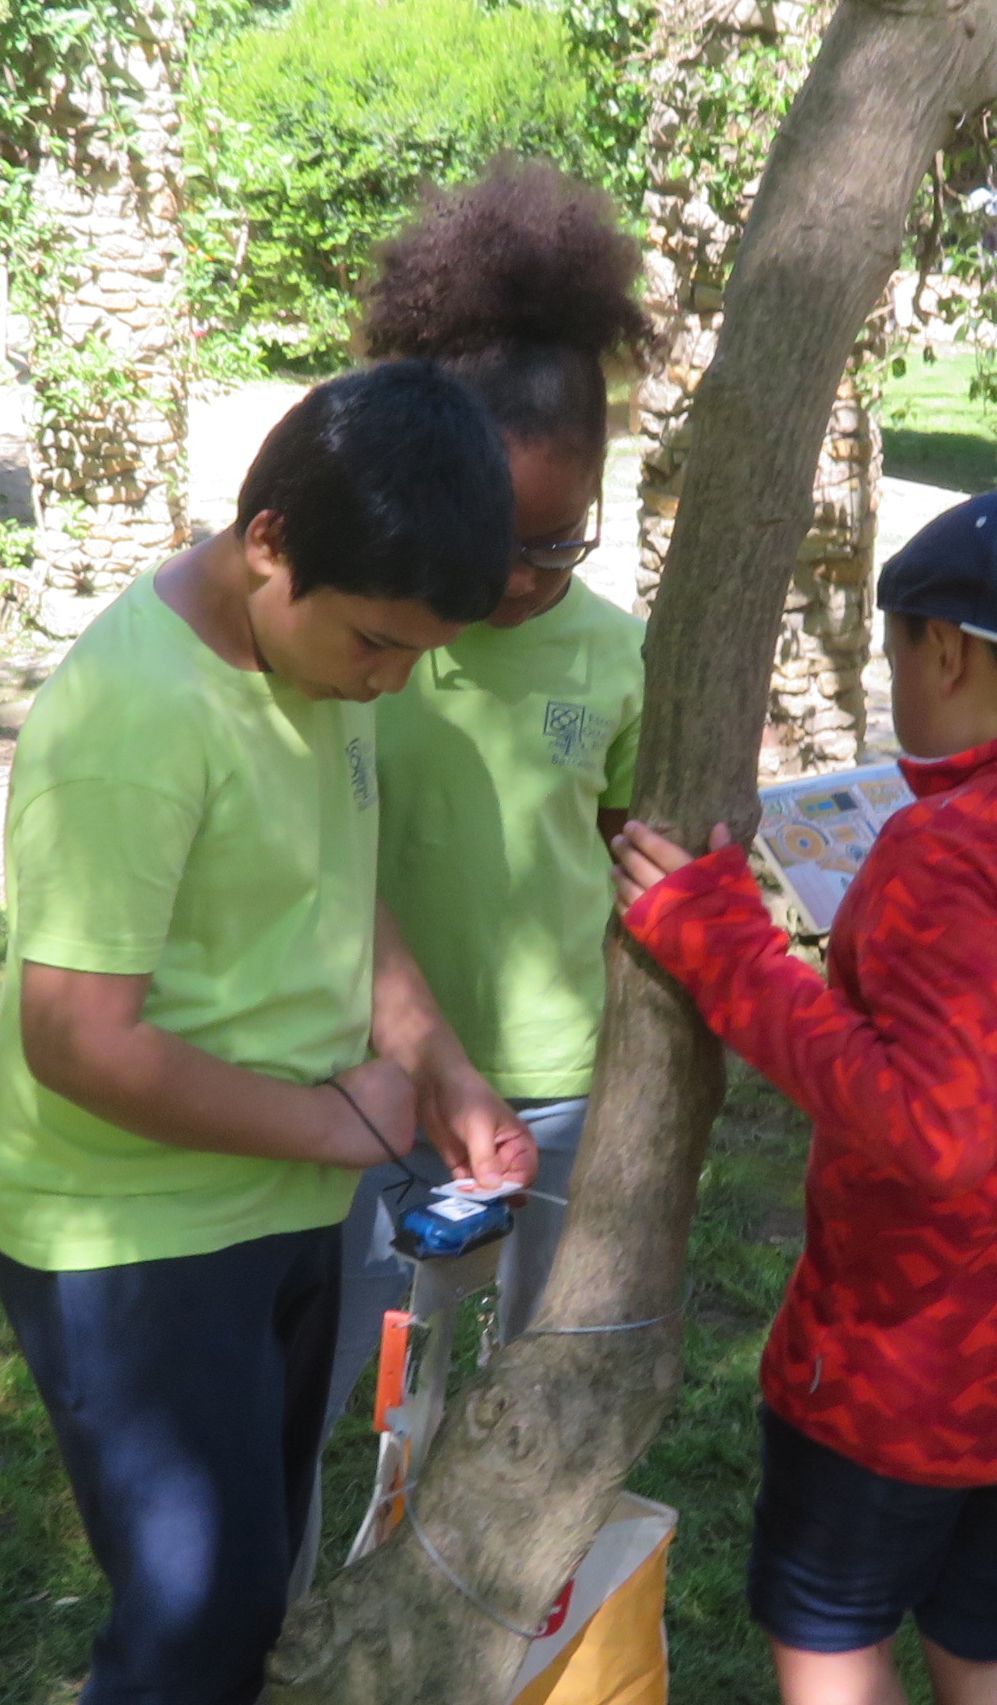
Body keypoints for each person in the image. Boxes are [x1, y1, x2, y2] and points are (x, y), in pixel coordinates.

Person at [610, 489, 997, 1705]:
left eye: (894, 647)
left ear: (944, 649)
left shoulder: (948, 848)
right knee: (991, 1639)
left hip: (905, 1370)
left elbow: (935, 1128)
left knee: (833, 1636)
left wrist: (726, 947)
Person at [0, 360, 540, 1705]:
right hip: (130, 1232)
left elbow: (339, 891)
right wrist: (327, 1122)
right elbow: (75, 1038)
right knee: (198, 1616)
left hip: (285, 1199)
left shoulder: (318, 666)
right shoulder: (134, 717)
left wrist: (440, 1066)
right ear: (270, 540)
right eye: (378, 644)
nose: (389, 684)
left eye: (417, 656)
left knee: (252, 1585)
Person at [319, 160, 652, 1480]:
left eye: (560, 543)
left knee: (523, 1394)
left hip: (553, 1089)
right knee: (346, 1375)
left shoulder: (617, 656)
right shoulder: (367, 639)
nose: (519, 580)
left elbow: (623, 849)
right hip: (363, 1077)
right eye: (495, 538)